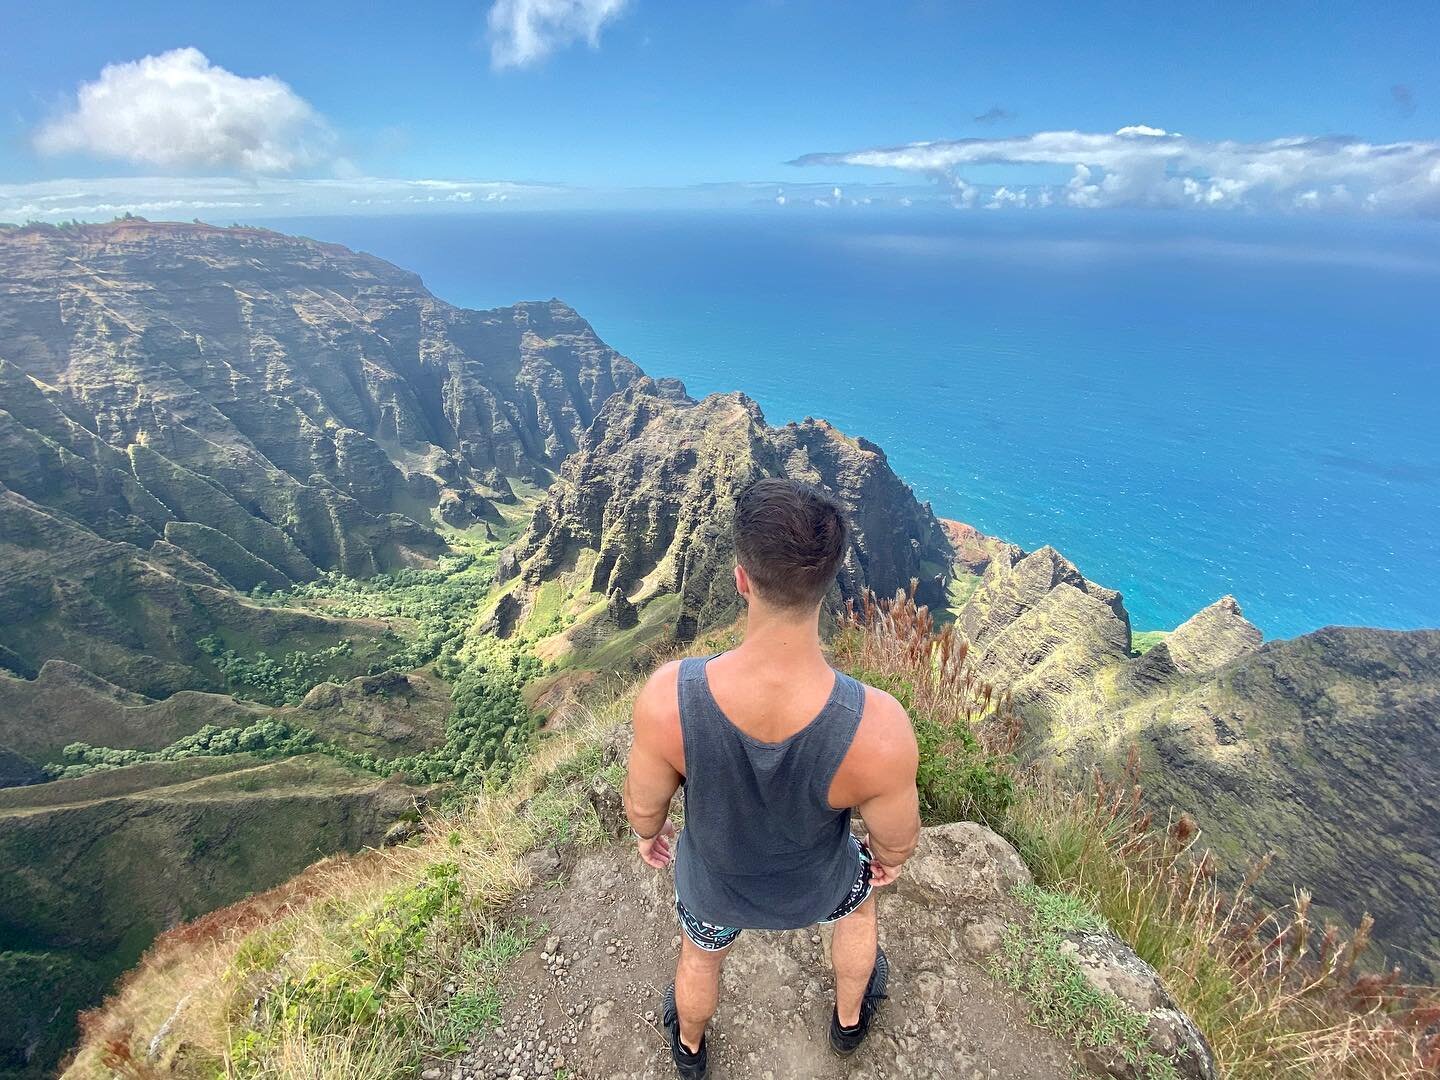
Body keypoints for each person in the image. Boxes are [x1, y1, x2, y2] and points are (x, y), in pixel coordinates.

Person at [623, 477, 922, 1079]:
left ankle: (689, 1048)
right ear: (830, 584)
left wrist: (647, 834)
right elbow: (897, 843)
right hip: (822, 885)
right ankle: (848, 1023)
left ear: (740, 577)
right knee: (859, 913)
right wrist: (885, 859)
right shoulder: (881, 728)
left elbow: (644, 810)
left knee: (699, 959)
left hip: (715, 886)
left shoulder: (667, 699)